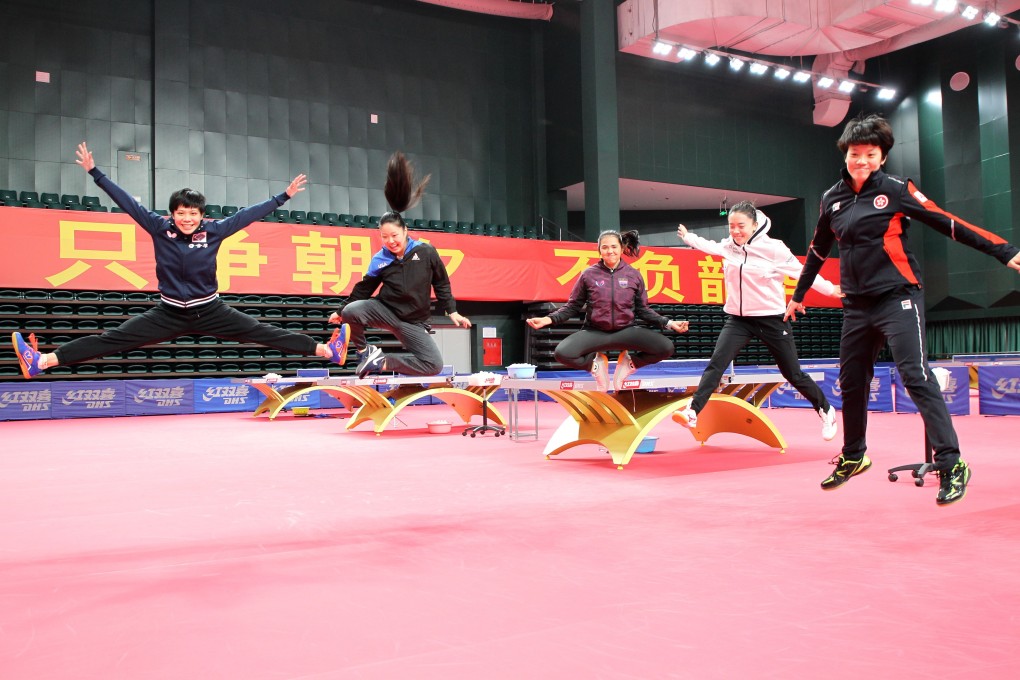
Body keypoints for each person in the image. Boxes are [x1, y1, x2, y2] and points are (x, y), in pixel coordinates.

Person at [786, 114, 1020, 506]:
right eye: (855, 154)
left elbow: (948, 222)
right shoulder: (832, 199)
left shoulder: (895, 189)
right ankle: (855, 456)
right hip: (857, 306)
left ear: (881, 157)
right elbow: (817, 250)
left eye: (870, 154)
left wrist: (1004, 251)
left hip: (898, 297)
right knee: (851, 381)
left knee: (916, 375)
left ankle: (951, 463)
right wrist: (799, 294)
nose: (861, 160)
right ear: (846, 155)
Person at [11, 142, 349, 379]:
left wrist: (283, 197)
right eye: (181, 213)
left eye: (193, 213)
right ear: (172, 213)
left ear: (202, 215)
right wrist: (96, 173)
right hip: (168, 312)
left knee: (263, 331)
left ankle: (326, 351)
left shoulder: (214, 231)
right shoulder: (159, 228)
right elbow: (129, 203)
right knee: (111, 339)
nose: (187, 218)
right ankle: (42, 361)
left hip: (211, 309)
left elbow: (247, 216)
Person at [674, 201, 843, 440]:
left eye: (741, 226)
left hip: (771, 319)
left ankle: (826, 409)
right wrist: (688, 237)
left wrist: (829, 290)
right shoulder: (729, 246)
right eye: (731, 226)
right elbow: (709, 246)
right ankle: (693, 411)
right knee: (716, 364)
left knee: (792, 373)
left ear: (754, 225)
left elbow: (804, 272)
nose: (735, 231)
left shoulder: (774, 249)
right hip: (738, 320)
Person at [327, 152, 470, 378]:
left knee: (433, 365)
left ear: (405, 231)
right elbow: (364, 289)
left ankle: (382, 362)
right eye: (384, 237)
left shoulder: (425, 251)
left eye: (394, 235)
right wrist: (339, 311)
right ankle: (365, 353)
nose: (390, 241)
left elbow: (441, 282)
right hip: (386, 311)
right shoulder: (380, 259)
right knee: (351, 310)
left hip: (413, 321)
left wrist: (452, 311)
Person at [526, 229, 689, 391]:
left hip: (626, 331)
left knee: (666, 348)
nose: (609, 251)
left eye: (614, 247)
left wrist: (669, 323)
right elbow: (572, 306)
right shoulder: (588, 275)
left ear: (622, 248)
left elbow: (643, 310)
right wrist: (547, 320)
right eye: (605, 247)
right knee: (562, 353)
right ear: (599, 250)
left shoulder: (634, 275)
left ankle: (630, 363)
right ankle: (595, 366)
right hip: (595, 332)